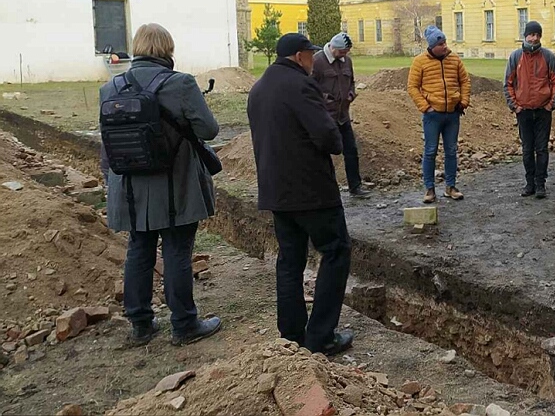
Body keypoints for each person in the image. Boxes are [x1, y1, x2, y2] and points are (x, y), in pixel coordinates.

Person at [99, 23, 222, 347]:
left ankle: (141, 324)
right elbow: (209, 130)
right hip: (174, 185)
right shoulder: (180, 83)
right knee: (177, 252)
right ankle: (183, 324)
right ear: (168, 49)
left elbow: (106, 144)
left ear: (137, 48)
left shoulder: (110, 87)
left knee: (138, 251)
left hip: (128, 186)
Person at [247, 32, 354, 356]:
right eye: (309, 54)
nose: (313, 59)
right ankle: (321, 336)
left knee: (290, 260)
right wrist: (337, 141)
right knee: (336, 251)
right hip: (310, 190)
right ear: (298, 56)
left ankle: (292, 334)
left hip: (276, 190)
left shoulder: (259, 88)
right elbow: (327, 135)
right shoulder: (300, 85)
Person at [407, 25, 471, 203]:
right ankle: (429, 189)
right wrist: (425, 107)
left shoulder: (455, 59)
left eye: (445, 42)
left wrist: (463, 101)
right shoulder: (420, 62)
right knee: (430, 151)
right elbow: (412, 87)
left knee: (451, 151)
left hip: (452, 114)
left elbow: (464, 81)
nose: (445, 46)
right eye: (441, 43)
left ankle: (451, 187)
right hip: (432, 115)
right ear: (432, 46)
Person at [503, 21, 555, 199]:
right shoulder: (515, 57)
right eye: (532, 34)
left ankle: (540, 184)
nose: (534, 38)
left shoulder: (548, 57)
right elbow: (508, 83)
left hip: (543, 110)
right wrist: (515, 106)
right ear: (525, 35)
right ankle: (529, 182)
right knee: (527, 149)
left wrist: (551, 104)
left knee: (542, 148)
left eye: (537, 35)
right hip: (524, 111)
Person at [311, 31, 372, 199]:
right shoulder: (317, 61)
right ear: (333, 48)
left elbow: (350, 81)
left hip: (343, 116)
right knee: (322, 154)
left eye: (347, 53)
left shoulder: (347, 61)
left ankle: (355, 186)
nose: (345, 55)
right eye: (343, 52)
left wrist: (351, 94)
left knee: (351, 150)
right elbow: (309, 87)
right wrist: (325, 99)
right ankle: (321, 190)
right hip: (325, 117)